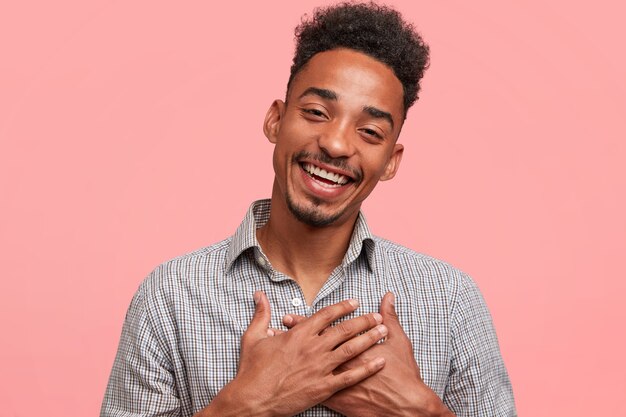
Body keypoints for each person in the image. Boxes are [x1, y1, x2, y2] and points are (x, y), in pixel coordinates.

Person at [101, 2, 516, 416]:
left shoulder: (450, 301)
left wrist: (419, 411)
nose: (336, 144)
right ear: (275, 121)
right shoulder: (170, 298)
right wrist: (246, 406)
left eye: (370, 132)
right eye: (317, 113)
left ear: (391, 160)